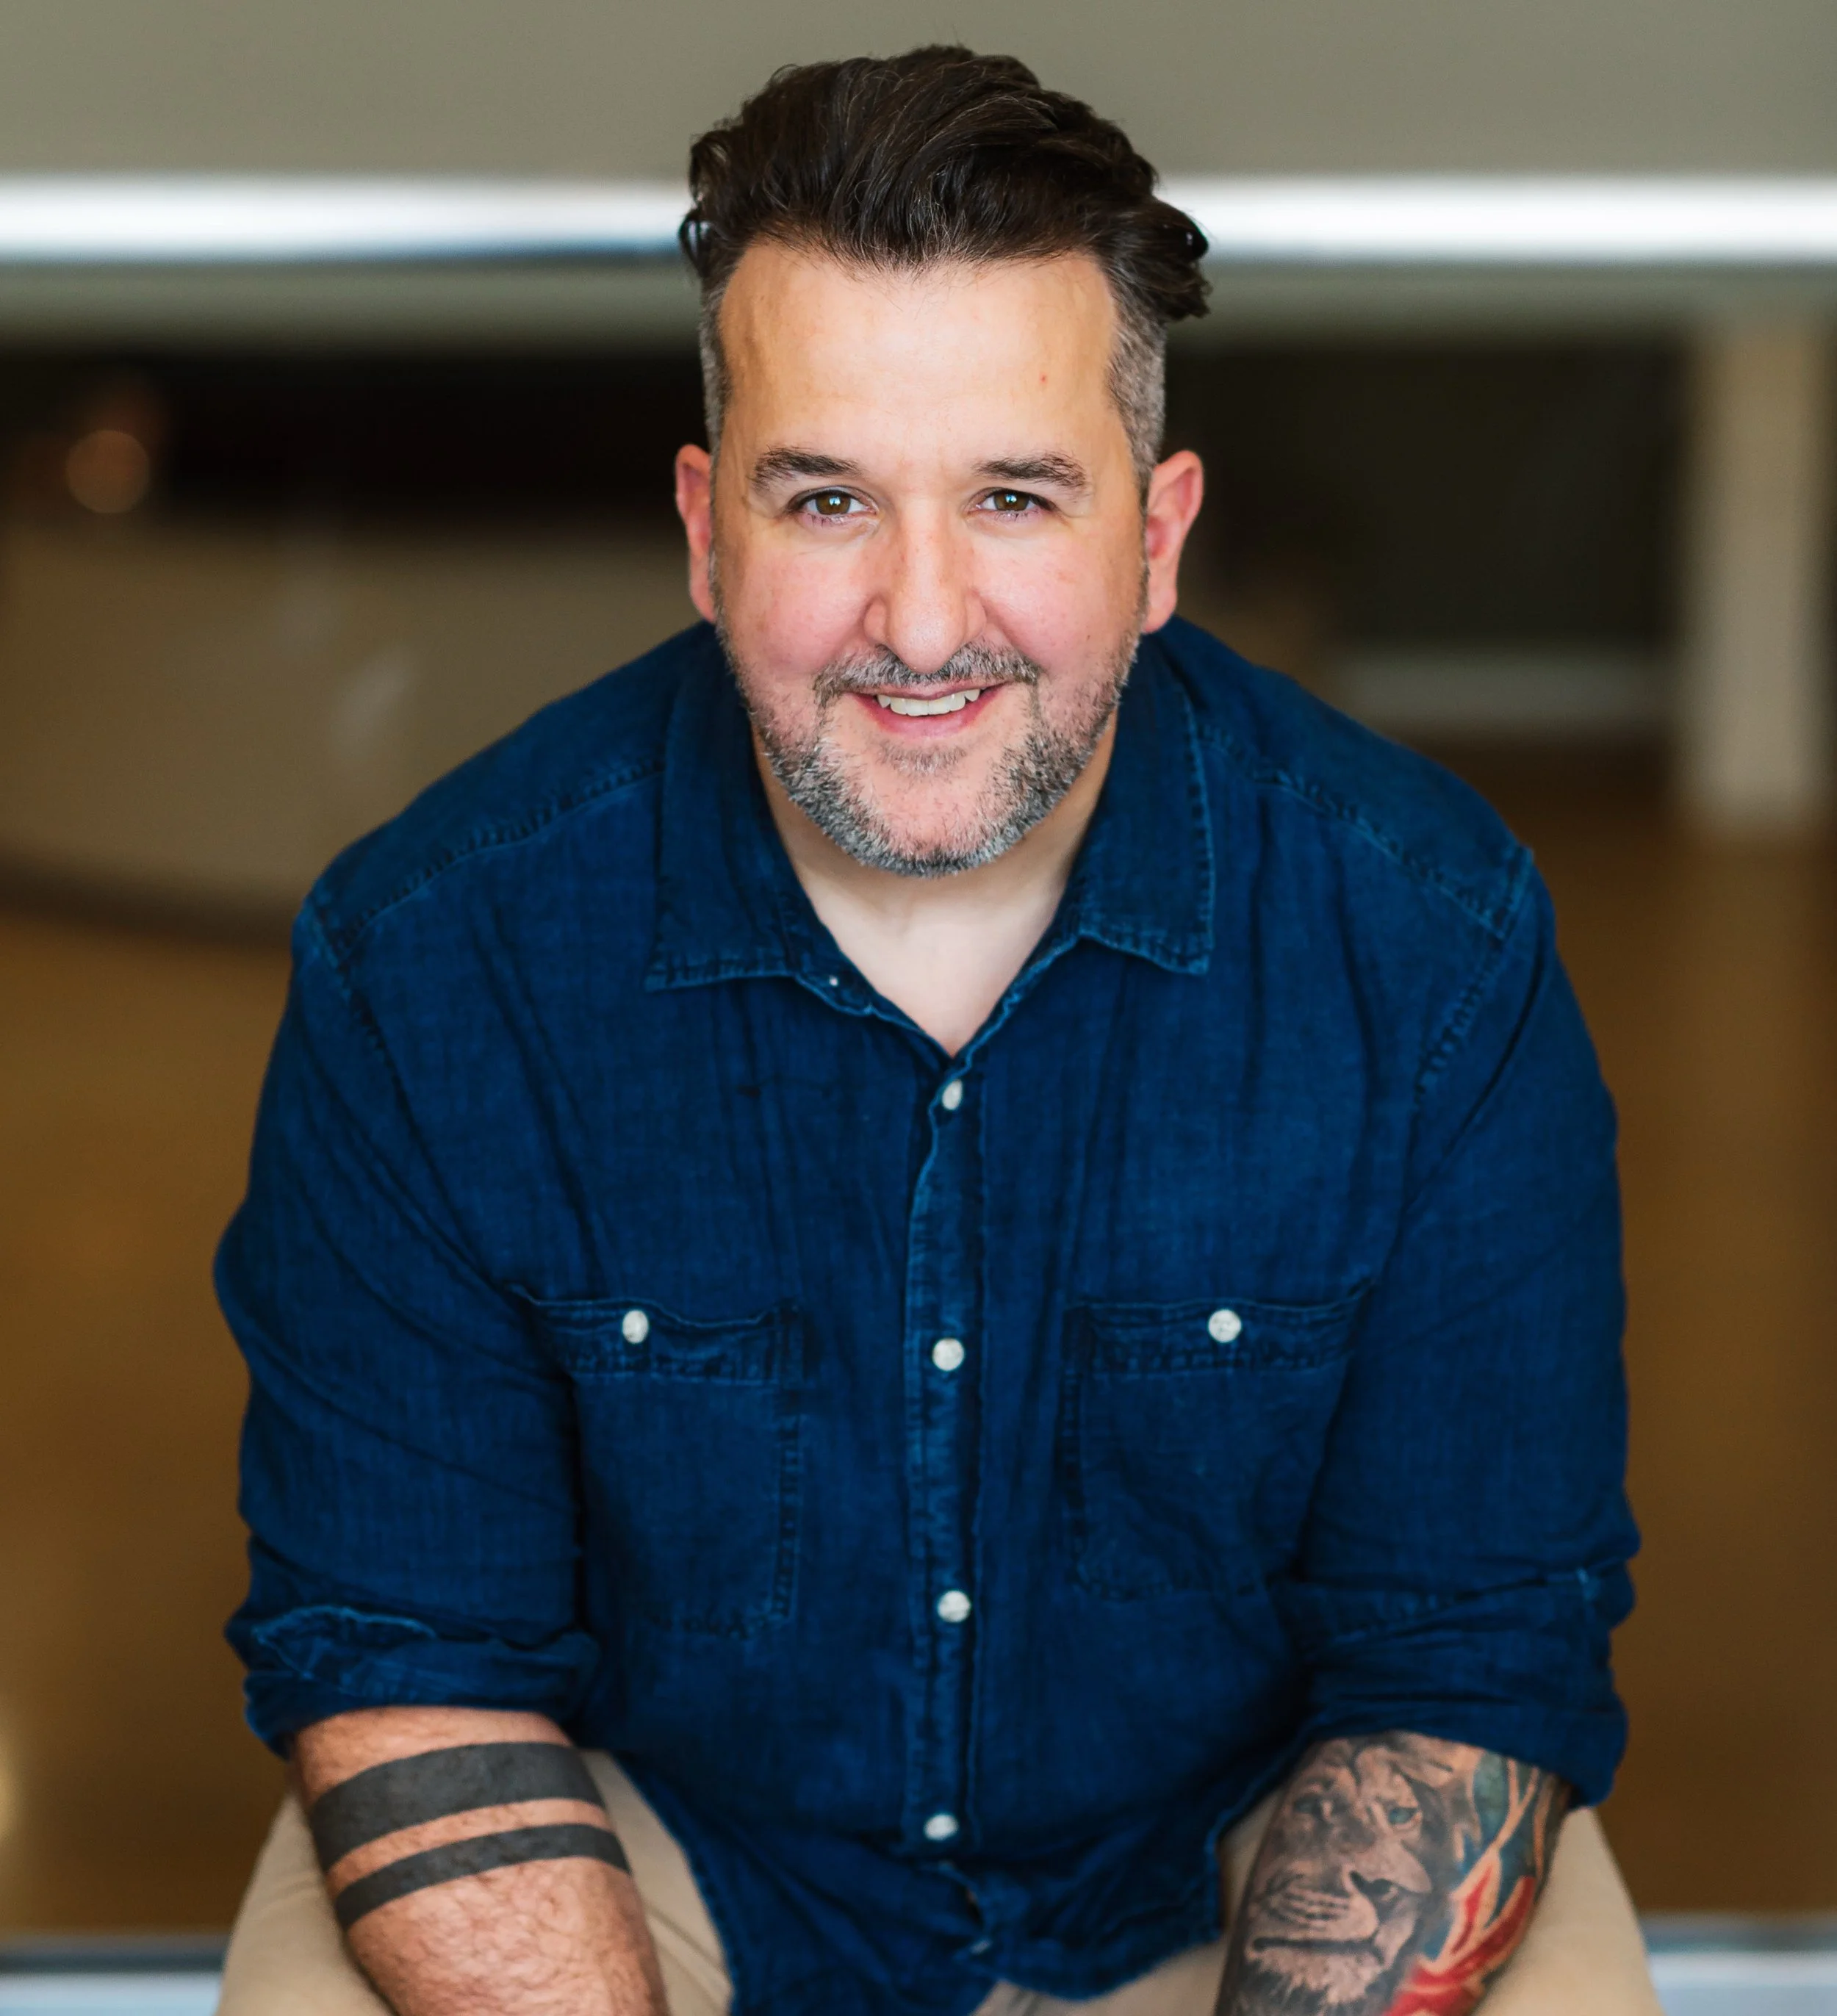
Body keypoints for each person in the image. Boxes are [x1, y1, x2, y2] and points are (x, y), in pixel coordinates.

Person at [215, 46, 1658, 2016]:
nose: (914, 621)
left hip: (1231, 1858)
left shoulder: (1426, 940)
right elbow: (410, 1657)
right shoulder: (432, 961)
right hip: (659, 1844)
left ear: (1154, 538)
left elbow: (1461, 1661)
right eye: (828, 501)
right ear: (705, 527)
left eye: (1010, 496)